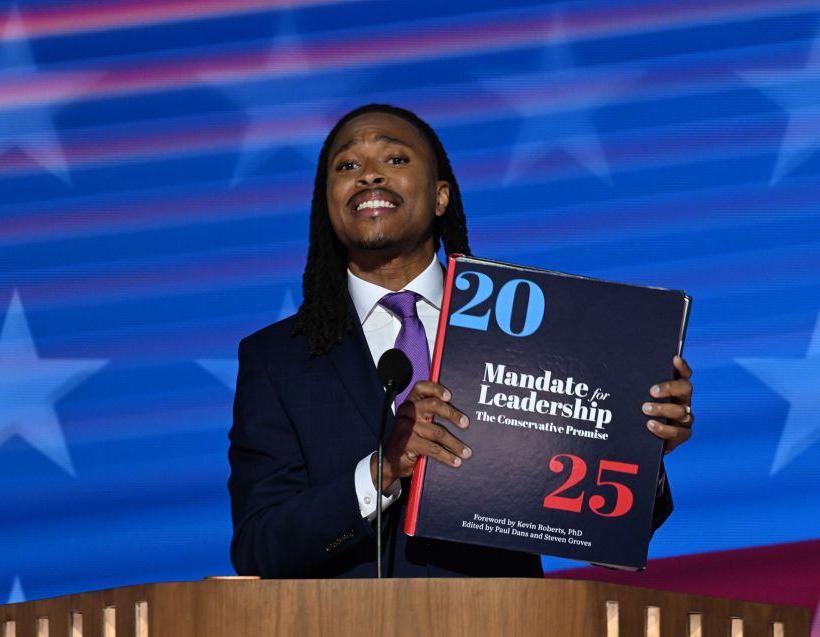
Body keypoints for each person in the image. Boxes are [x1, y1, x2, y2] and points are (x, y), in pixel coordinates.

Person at [228, 104, 693, 578]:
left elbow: (604, 540)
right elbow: (259, 548)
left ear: (440, 196)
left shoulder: (526, 328)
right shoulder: (276, 360)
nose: (368, 176)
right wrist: (383, 470)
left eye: (395, 160)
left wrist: (637, 444)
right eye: (347, 166)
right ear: (327, 204)